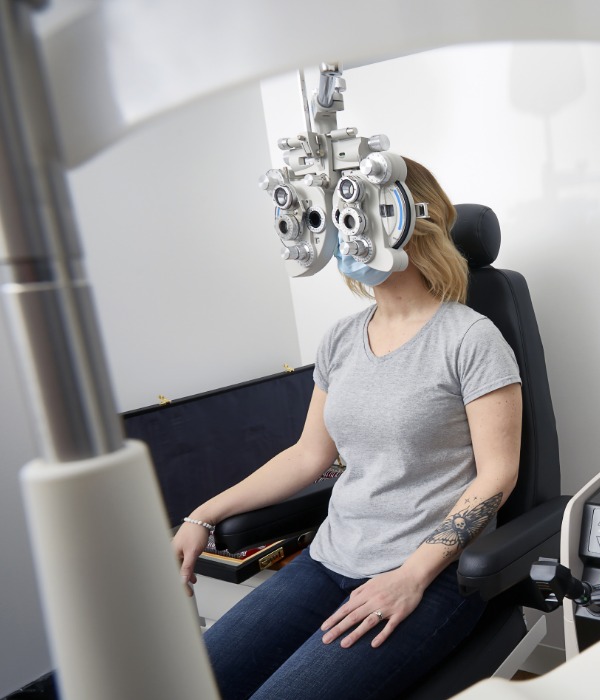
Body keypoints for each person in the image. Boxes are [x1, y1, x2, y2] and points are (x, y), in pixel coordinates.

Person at [171, 157, 522, 700]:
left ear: (406, 221)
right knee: (190, 682)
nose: (340, 232)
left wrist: (412, 576)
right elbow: (308, 455)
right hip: (328, 561)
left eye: (354, 213)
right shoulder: (339, 339)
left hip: (431, 575)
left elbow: (496, 479)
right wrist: (203, 514)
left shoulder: (471, 340)